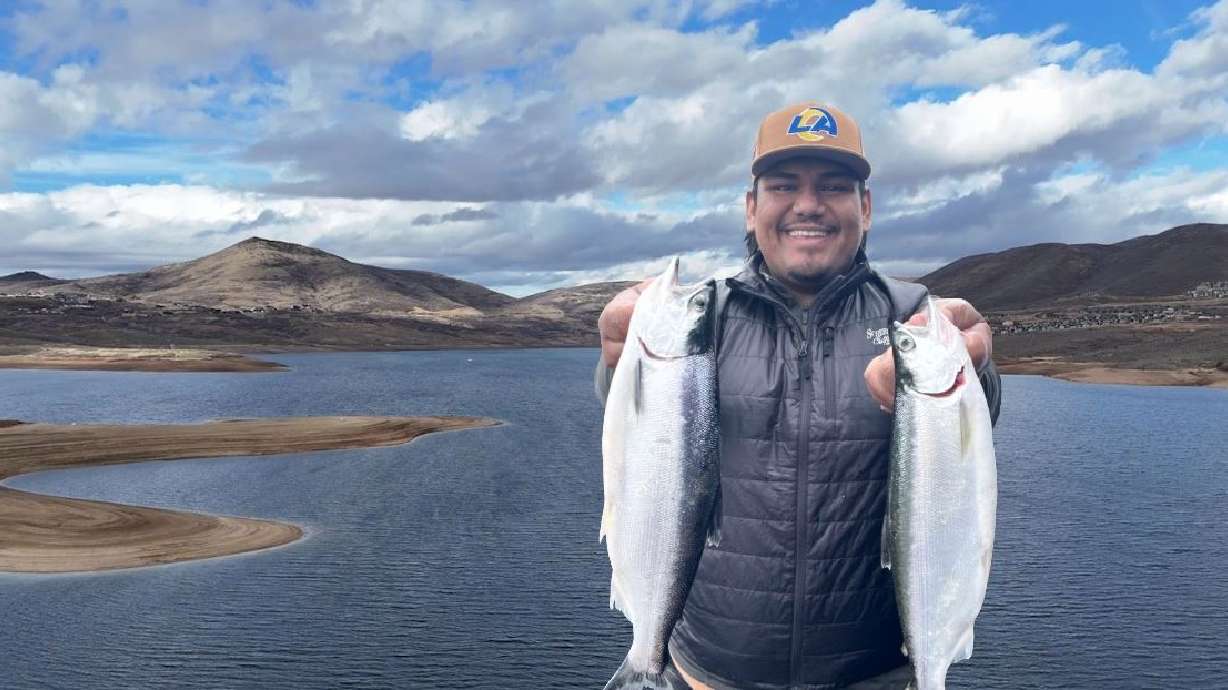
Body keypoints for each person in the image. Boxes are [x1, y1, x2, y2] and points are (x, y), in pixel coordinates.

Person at [594, 102, 1001, 690]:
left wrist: (976, 371)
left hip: (874, 675)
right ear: (753, 205)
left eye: (834, 187)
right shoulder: (703, 315)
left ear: (865, 207)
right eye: (784, 185)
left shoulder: (913, 315)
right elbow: (641, 441)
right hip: (707, 674)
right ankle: (643, 662)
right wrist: (618, 367)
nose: (808, 205)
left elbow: (969, 437)